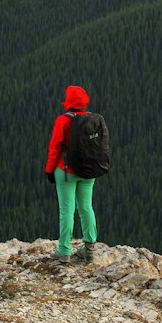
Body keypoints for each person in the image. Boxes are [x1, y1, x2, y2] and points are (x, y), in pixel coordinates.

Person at [44, 84, 98, 260]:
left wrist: (49, 170)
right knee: (86, 206)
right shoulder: (93, 119)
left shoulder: (63, 120)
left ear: (68, 103)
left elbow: (55, 148)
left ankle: (64, 251)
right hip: (89, 171)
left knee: (67, 210)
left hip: (66, 171)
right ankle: (89, 249)